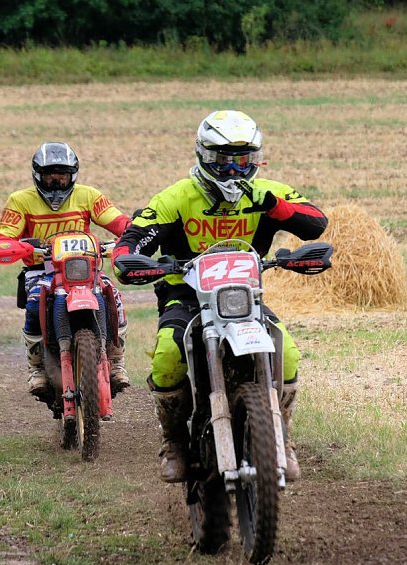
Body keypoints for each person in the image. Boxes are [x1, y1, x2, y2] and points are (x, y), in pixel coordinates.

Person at [112, 110, 328, 483]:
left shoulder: (267, 192)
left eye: (243, 161)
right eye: (223, 161)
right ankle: (173, 440)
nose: (233, 171)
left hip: (243, 294)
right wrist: (128, 260)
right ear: (204, 156)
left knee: (288, 352)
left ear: (256, 159)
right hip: (185, 292)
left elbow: (316, 222)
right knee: (167, 355)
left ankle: (283, 436)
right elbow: (133, 239)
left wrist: (274, 206)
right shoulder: (177, 197)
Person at [0, 141, 132, 400]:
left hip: (84, 268)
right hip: (41, 270)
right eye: (50, 176)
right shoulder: (20, 201)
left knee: (113, 295)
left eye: (62, 176)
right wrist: (21, 247)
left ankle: (116, 360)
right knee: (35, 303)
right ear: (37, 176)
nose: (56, 182)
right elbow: (3, 239)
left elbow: (119, 222)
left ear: (73, 176)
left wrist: (133, 233)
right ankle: (36, 367)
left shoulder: (89, 196)